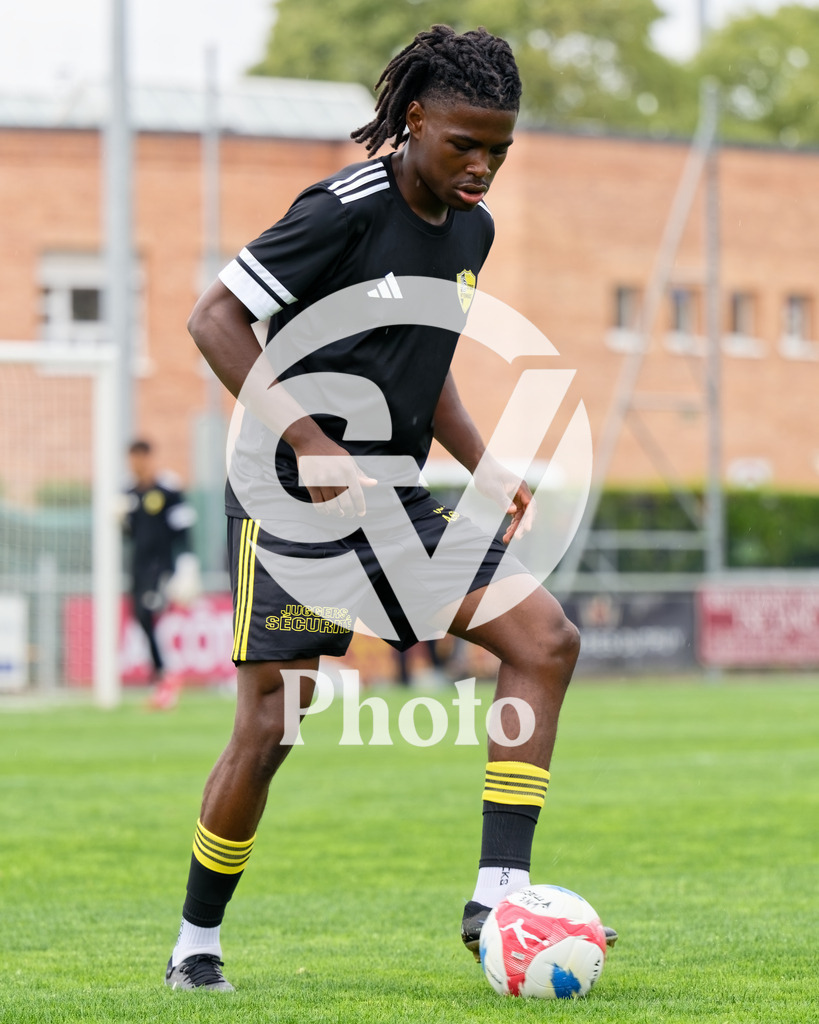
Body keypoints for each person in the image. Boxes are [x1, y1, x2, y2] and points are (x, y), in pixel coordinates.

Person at [164, 25, 615, 991]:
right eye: (464, 143)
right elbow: (214, 318)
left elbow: (429, 359)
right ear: (413, 120)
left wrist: (486, 463)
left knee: (545, 640)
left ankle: (498, 895)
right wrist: (312, 443)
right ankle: (194, 944)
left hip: (396, 503)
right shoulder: (342, 206)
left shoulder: (472, 229)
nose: (482, 166)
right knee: (271, 731)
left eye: (499, 148)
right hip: (290, 503)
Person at [124, 439, 199, 710]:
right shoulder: (129, 494)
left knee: (149, 614)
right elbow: (130, 534)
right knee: (141, 618)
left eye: (141, 458)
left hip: (161, 567)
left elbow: (184, 528)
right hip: (138, 567)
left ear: (149, 458)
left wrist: (187, 563)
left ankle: (166, 677)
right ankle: (163, 678)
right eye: (133, 459)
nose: (137, 464)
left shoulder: (168, 489)